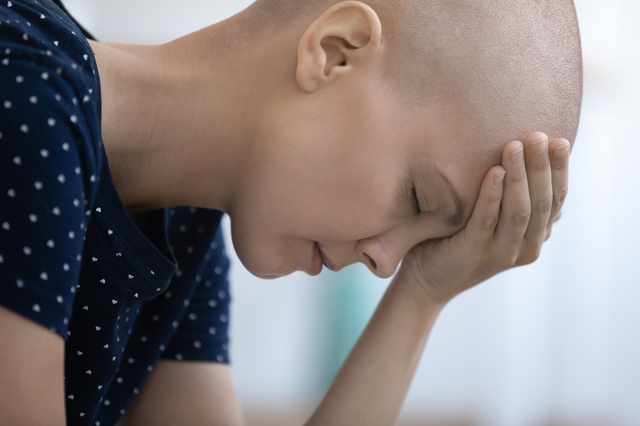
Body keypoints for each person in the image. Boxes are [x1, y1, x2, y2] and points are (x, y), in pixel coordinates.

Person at [0, 0, 582, 424]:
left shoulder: (182, 222)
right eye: (418, 200)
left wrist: (422, 292)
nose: (385, 263)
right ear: (334, 52)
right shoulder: (25, 103)